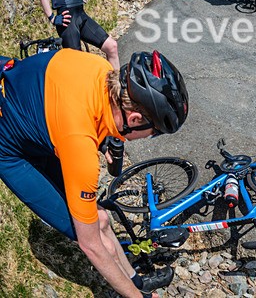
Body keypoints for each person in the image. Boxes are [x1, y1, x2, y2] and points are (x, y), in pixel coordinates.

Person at [0, 48, 189, 297]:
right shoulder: (81, 148)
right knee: (88, 233)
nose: (150, 137)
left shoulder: (99, 69)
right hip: (12, 152)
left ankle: (138, 282)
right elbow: (91, 246)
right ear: (134, 119)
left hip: (34, 114)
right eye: (154, 132)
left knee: (100, 218)